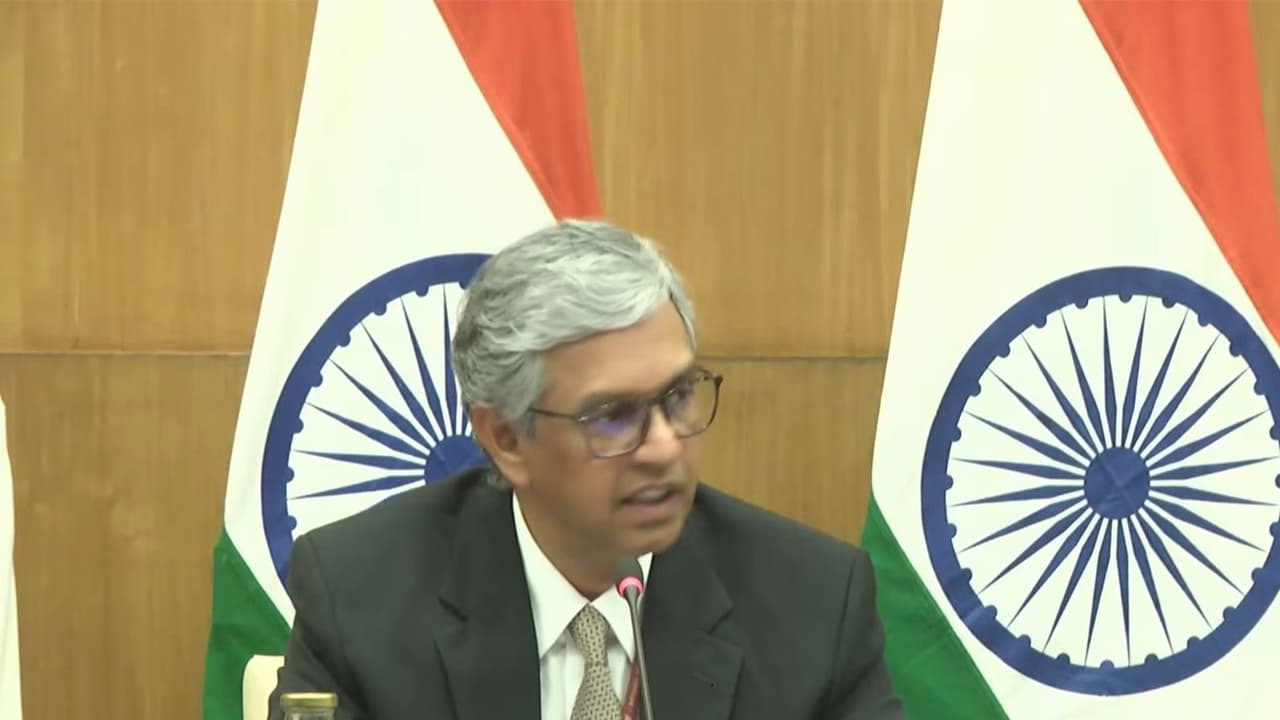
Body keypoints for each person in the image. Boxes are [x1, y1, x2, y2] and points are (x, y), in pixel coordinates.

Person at [267, 220, 907, 719]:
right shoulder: (360, 599)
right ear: (506, 438)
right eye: (613, 416)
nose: (663, 447)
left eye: (678, 397)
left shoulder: (812, 604)